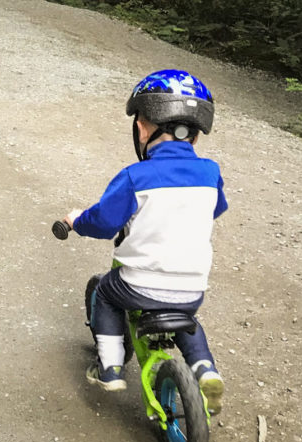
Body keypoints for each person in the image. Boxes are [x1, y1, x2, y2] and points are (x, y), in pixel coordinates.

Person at [63, 69, 228, 415]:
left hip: (139, 284)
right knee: (188, 321)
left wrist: (77, 221)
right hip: (192, 287)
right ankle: (206, 370)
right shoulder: (211, 173)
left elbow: (104, 222)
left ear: (141, 126)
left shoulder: (135, 176)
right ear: (195, 137)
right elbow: (215, 208)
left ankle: (110, 366)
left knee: (106, 293)